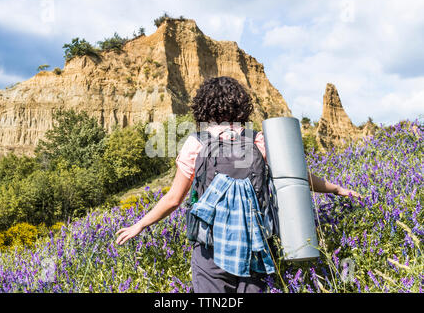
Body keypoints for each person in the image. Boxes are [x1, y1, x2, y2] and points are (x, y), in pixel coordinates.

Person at [115, 76, 360, 293]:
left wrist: (140, 225)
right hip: (256, 248)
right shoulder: (259, 140)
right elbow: (296, 178)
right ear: (241, 106)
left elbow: (173, 199)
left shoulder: (196, 143)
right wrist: (336, 188)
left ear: (204, 106)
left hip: (210, 251)